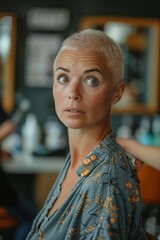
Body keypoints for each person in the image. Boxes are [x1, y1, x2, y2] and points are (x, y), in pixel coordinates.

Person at [26, 29, 148, 240]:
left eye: (91, 81)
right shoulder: (78, 160)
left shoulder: (104, 182)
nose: (73, 92)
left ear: (116, 93)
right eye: (63, 78)